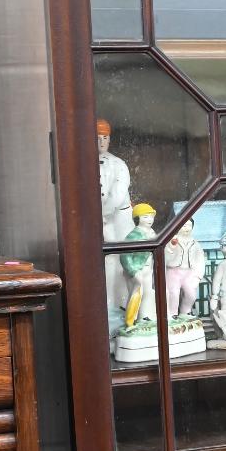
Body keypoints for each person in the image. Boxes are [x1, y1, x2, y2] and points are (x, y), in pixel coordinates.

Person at [97, 118, 133, 325]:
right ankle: (108, 303)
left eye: (105, 138)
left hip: (119, 217)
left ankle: (123, 303)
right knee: (106, 261)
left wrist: (102, 215)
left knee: (122, 260)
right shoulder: (84, 164)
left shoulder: (119, 164)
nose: (101, 142)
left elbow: (118, 195)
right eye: (97, 138)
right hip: (99, 218)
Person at [164, 217, 206, 320]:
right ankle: (172, 313)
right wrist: (171, 247)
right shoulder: (172, 240)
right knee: (173, 292)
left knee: (191, 294)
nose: (186, 228)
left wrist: (198, 276)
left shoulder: (195, 243)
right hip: (173, 271)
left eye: (189, 225)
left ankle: (185, 312)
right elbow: (165, 254)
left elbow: (200, 260)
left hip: (189, 272)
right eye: (184, 225)